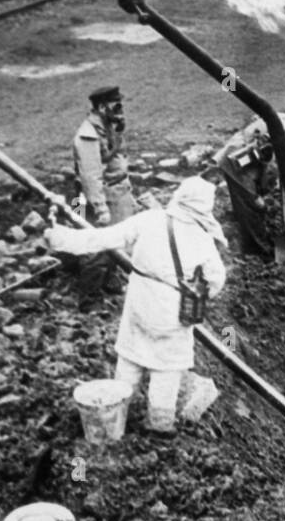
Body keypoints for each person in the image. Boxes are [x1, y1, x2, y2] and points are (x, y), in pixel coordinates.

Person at [45, 177, 228, 437]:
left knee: (130, 357)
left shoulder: (150, 220)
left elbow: (102, 238)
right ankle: (160, 423)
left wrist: (59, 238)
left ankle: (115, 413)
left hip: (140, 302)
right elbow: (216, 280)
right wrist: (199, 290)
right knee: (167, 368)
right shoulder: (202, 238)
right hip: (173, 310)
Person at [213, 105, 285, 259]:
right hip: (238, 163)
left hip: (250, 159)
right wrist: (262, 191)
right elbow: (272, 168)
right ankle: (258, 251)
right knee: (253, 206)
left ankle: (245, 222)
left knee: (252, 202)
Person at [72, 86, 136, 304]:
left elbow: (116, 156)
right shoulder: (87, 136)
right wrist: (100, 209)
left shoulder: (108, 127)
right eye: (115, 106)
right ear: (100, 107)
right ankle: (89, 297)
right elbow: (90, 176)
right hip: (100, 197)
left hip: (117, 192)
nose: (120, 110)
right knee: (96, 248)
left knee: (120, 242)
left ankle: (110, 280)